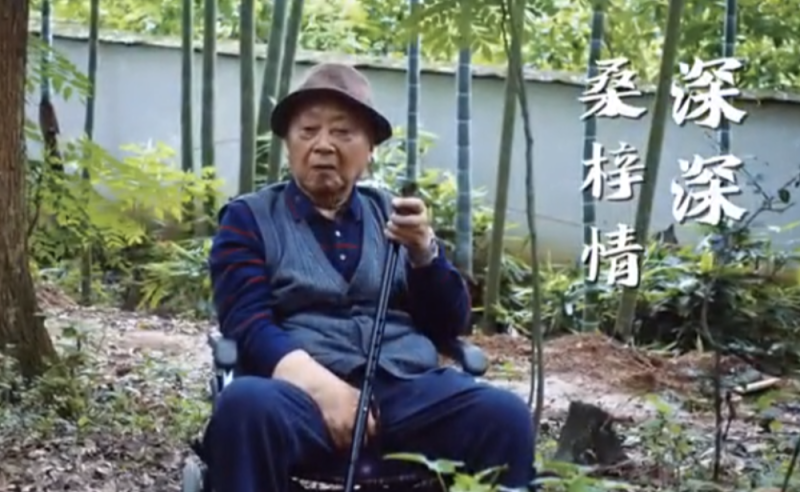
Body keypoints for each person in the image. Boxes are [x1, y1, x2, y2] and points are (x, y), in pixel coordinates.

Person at [203, 62, 535, 492]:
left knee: (504, 415)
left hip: (407, 392)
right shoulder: (248, 219)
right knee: (244, 406)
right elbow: (248, 324)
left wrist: (425, 254)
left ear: (371, 148)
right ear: (287, 145)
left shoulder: (393, 217)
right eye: (308, 131)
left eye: (343, 132)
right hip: (299, 396)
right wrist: (323, 389)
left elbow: (450, 323)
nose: (323, 145)